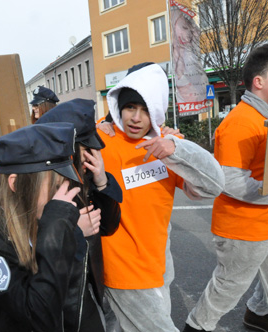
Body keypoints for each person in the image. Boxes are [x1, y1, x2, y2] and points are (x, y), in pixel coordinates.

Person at [97, 63, 225, 332]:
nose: (136, 118)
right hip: (122, 266)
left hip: (157, 266)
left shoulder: (167, 147)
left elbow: (211, 186)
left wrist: (177, 149)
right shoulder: (102, 140)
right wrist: (96, 124)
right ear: (118, 106)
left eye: (146, 110)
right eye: (131, 107)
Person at [0, 123, 102, 331]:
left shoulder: (33, 218)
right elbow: (39, 315)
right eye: (54, 187)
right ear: (15, 184)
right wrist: (59, 235)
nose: (62, 197)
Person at [182, 45, 268, 332]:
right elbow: (230, 181)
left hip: (263, 225)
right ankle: (196, 327)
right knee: (226, 290)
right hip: (243, 230)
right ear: (259, 81)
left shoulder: (263, 118)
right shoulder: (241, 122)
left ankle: (258, 315)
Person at [36, 98, 123, 331]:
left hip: (89, 285)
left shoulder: (83, 176)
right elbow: (32, 246)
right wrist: (74, 230)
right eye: (86, 149)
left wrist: (103, 182)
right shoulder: (42, 183)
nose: (91, 156)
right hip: (62, 295)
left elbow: (108, 226)